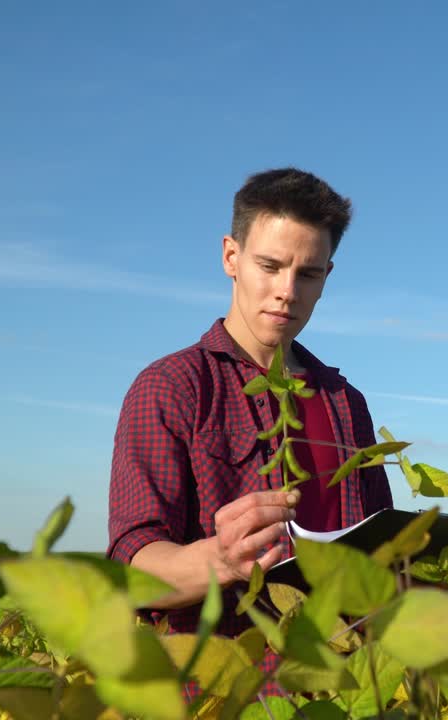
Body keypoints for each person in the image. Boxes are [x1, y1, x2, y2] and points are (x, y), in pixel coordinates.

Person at [106, 167, 394, 639]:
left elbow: (379, 553)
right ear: (231, 257)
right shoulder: (172, 386)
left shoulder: (346, 403)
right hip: (224, 690)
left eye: (308, 273)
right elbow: (132, 569)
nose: (287, 291)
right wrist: (222, 560)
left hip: (344, 685)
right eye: (270, 266)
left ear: (327, 279)